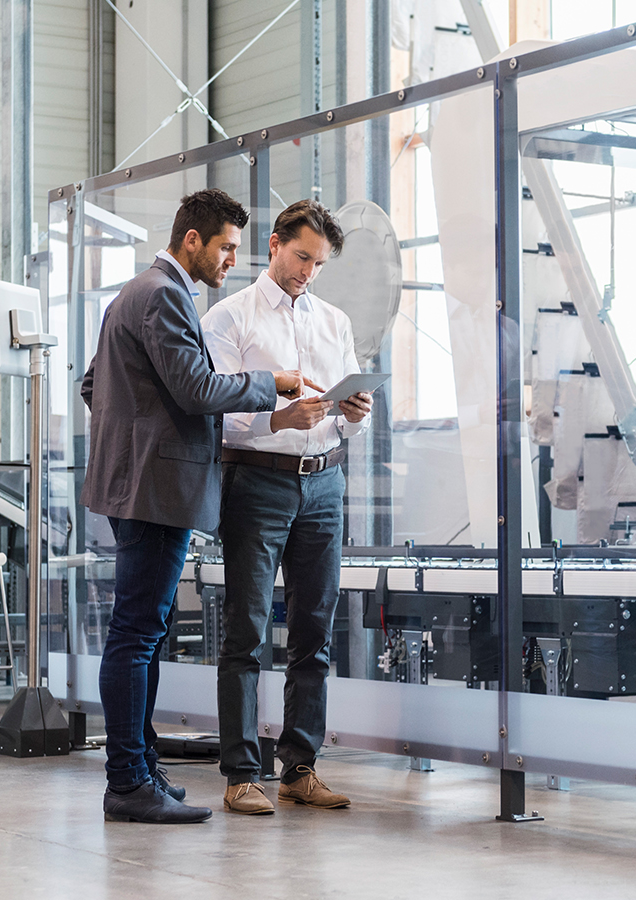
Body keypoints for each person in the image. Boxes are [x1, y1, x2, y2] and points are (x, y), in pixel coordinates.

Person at [80, 188, 314, 825]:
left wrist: (133, 430)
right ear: (193, 241)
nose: (231, 260)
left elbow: (92, 384)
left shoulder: (136, 292)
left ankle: (142, 768)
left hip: (140, 485)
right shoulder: (164, 294)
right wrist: (276, 384)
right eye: (227, 247)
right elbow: (195, 388)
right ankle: (127, 782)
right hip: (155, 492)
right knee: (136, 637)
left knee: (145, 639)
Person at [201, 199, 373, 815]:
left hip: (325, 484)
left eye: (318, 263)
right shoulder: (229, 317)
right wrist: (278, 418)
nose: (308, 272)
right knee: (246, 631)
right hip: (258, 483)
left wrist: (354, 415)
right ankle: (241, 774)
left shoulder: (335, 321)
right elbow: (215, 411)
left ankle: (300, 768)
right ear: (273, 245)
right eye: (301, 257)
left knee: (314, 633)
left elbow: (347, 409)